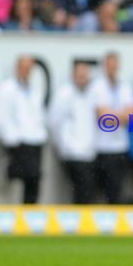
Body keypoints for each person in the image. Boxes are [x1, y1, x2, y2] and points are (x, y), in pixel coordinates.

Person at [0, 55, 47, 204]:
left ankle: (29, 214)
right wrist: (12, 139)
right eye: (25, 68)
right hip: (19, 140)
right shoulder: (7, 89)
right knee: (29, 174)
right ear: (17, 68)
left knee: (35, 179)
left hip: (35, 140)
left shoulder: (35, 89)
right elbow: (0, 118)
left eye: (30, 68)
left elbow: (38, 114)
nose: (27, 71)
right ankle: (9, 170)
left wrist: (41, 134)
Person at [49, 61, 97, 204]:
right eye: (80, 75)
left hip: (88, 154)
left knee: (86, 192)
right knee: (83, 190)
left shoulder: (90, 94)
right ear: (73, 75)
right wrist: (64, 147)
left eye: (85, 75)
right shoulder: (64, 94)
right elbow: (53, 122)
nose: (83, 78)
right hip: (73, 153)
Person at [93, 51, 133, 204]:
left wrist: (113, 115)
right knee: (102, 191)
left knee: (117, 191)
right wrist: (123, 115)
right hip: (103, 147)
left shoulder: (124, 86)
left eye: (115, 65)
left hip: (121, 147)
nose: (113, 68)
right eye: (110, 64)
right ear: (105, 66)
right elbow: (103, 118)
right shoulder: (98, 86)